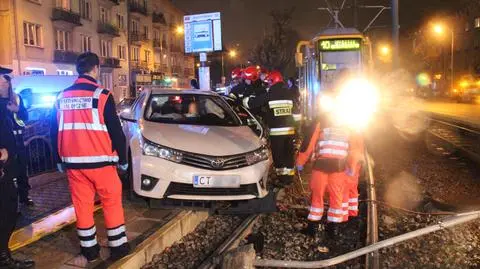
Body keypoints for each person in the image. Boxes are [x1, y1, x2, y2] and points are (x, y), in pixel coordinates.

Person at [51, 53, 130, 262]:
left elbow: (54, 130)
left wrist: (58, 160)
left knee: (82, 205)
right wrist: (123, 158)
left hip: (74, 164)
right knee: (111, 202)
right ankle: (118, 247)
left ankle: (89, 250)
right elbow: (115, 130)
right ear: (95, 69)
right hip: (101, 161)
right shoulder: (102, 95)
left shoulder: (61, 96)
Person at [296, 70, 361, 238]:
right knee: (330, 196)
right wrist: (352, 167)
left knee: (324, 196)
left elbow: (309, 144)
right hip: (332, 167)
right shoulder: (346, 121)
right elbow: (355, 148)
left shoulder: (329, 121)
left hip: (328, 167)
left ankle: (322, 228)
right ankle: (328, 228)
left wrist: (301, 161)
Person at [0, 66, 35, 269]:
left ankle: (4, 255)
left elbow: (23, 118)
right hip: (3, 166)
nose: (6, 80)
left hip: (14, 154)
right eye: (2, 78)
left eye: (7, 78)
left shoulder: (12, 100)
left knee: (9, 208)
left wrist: (17, 111)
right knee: (6, 210)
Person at [243, 70, 296, 186]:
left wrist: (246, 98)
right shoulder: (289, 94)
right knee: (288, 154)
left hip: (277, 132)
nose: (268, 85)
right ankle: (289, 178)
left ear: (273, 81)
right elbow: (296, 114)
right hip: (290, 131)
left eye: (269, 82)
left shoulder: (271, 94)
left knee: (279, 155)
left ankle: (282, 179)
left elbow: (251, 104)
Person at [2, 75, 33, 206]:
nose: (2, 85)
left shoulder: (16, 98)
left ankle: (24, 197)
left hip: (18, 139)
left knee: (21, 169)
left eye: (4, 82)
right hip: (5, 142)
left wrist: (17, 109)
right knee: (8, 173)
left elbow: (25, 116)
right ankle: (11, 203)